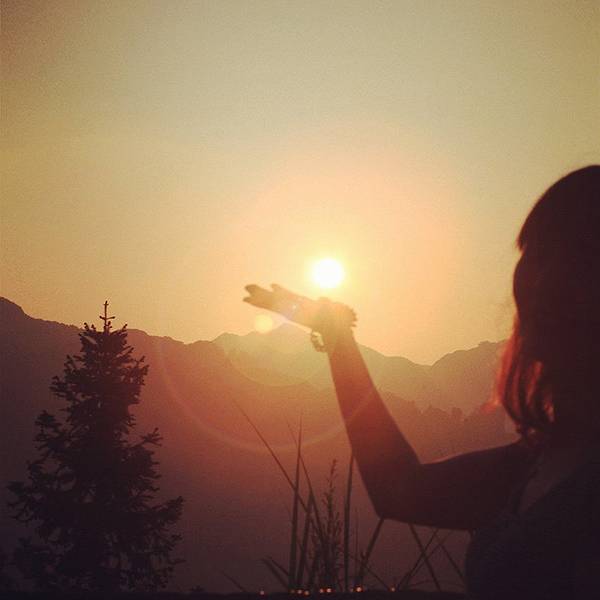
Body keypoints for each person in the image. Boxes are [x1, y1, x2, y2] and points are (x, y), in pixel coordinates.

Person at [244, 165, 600, 598]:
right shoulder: (538, 464)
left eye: (584, 259)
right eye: (539, 253)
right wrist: (337, 338)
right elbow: (399, 489)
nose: (547, 282)